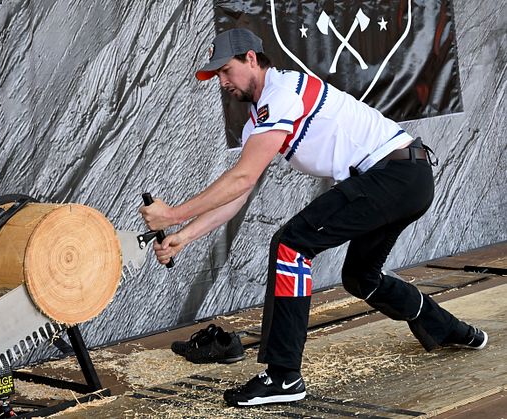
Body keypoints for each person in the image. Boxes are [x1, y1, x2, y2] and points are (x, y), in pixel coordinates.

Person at [138, 28, 487, 408]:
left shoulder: (281, 93)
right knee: (360, 278)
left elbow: (242, 176)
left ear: (251, 59)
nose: (221, 82)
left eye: (225, 70)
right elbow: (238, 194)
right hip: (402, 178)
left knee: (291, 245)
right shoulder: (259, 119)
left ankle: (284, 376)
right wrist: (184, 235)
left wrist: (171, 213)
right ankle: (451, 329)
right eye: (216, 76)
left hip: (395, 175)